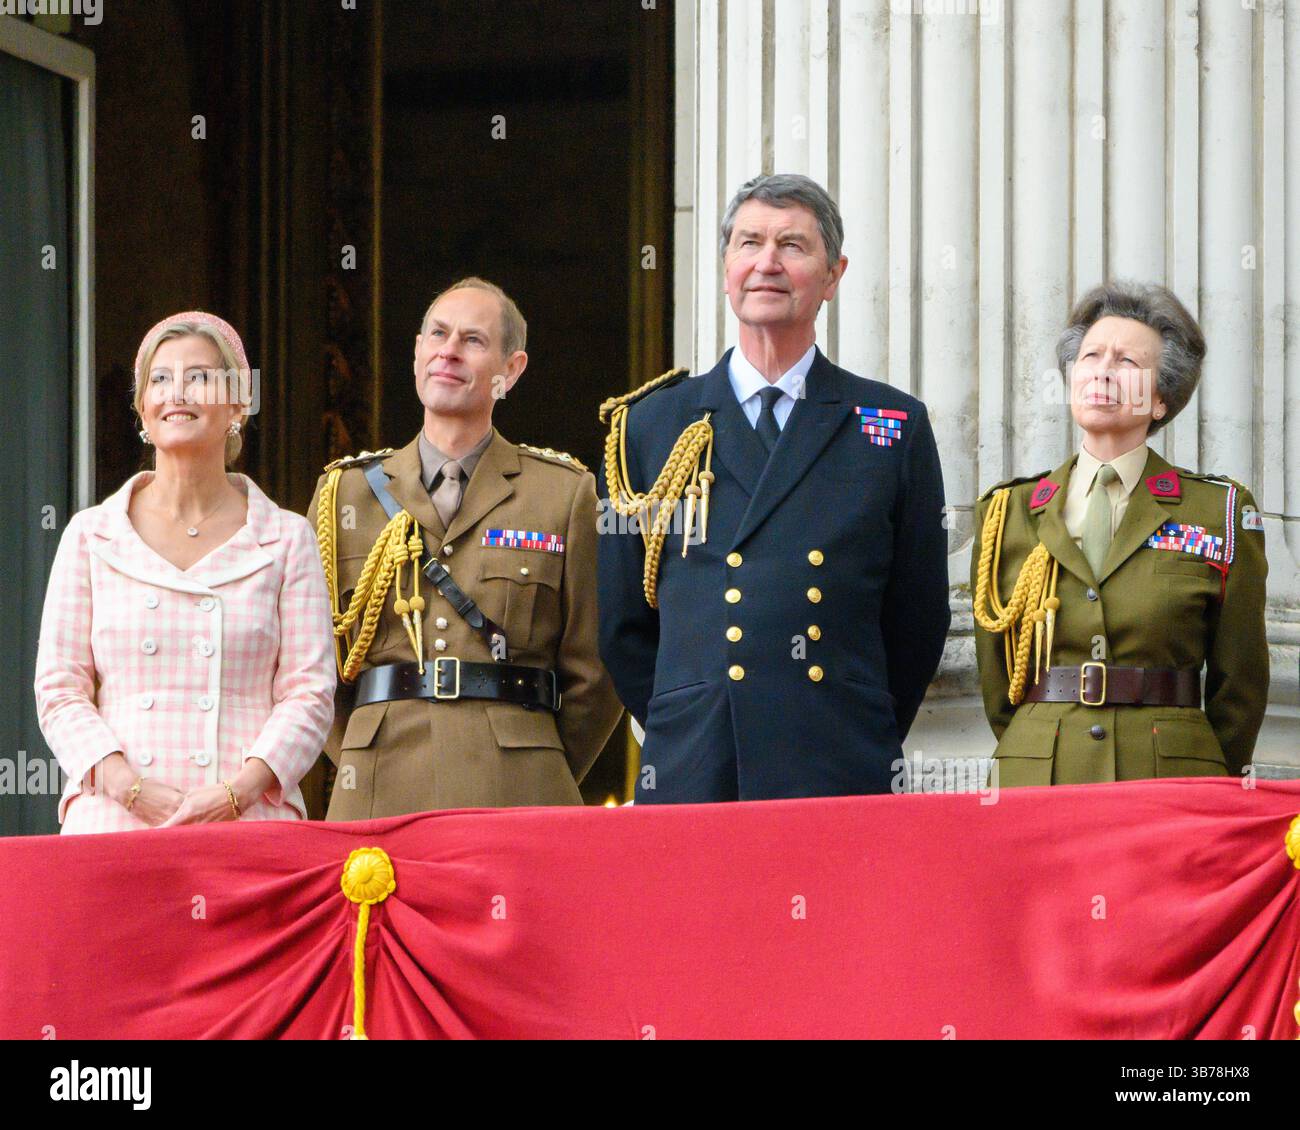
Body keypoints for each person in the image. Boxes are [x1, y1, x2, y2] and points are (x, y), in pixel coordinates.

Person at [597, 173, 951, 803]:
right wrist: (691, 708)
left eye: (792, 245)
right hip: (697, 761)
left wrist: (849, 711)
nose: (767, 263)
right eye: (748, 243)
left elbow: (917, 617)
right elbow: (623, 622)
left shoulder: (891, 424)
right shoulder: (651, 425)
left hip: (837, 756)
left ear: (833, 275)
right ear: (726, 266)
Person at [310, 277, 622, 818]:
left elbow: (597, 669)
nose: (449, 351)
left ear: (512, 370)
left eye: (473, 340)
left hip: (519, 788)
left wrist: (536, 757)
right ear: (416, 353)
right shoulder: (345, 494)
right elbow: (311, 664)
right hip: (379, 785)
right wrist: (361, 743)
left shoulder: (564, 494)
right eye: (438, 334)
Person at [34, 312, 336, 833]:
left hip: (248, 823)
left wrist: (237, 794)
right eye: (160, 379)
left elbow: (308, 692)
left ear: (237, 404)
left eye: (199, 377)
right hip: (113, 823)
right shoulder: (90, 535)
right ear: (143, 410)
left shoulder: (286, 538)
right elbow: (61, 689)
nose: (178, 393)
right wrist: (129, 789)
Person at [971, 281, 1269, 785]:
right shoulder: (1009, 510)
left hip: (1169, 776)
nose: (1101, 371)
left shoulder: (1217, 510)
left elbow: (1239, 682)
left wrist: (1203, 770)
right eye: (1090, 356)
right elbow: (998, 681)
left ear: (1161, 400)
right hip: (1039, 771)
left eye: (1127, 362)